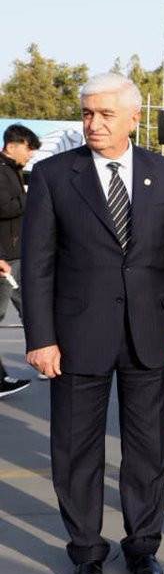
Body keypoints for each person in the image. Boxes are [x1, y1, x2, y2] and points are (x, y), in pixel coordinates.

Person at [23, 72, 164, 574]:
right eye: (87, 113)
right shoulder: (54, 175)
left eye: (105, 114)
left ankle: (143, 546)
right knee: (76, 450)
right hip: (77, 336)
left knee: (148, 448)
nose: (94, 123)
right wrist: (40, 338)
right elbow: (38, 265)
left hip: (152, 334)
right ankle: (86, 552)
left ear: (133, 118)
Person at [0, 123, 40, 397]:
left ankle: (44, 357)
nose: (31, 154)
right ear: (13, 144)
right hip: (6, 257)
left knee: (32, 307)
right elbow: (4, 207)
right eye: (29, 149)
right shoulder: (2, 170)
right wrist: (32, 198)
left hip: (16, 254)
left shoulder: (12, 169)